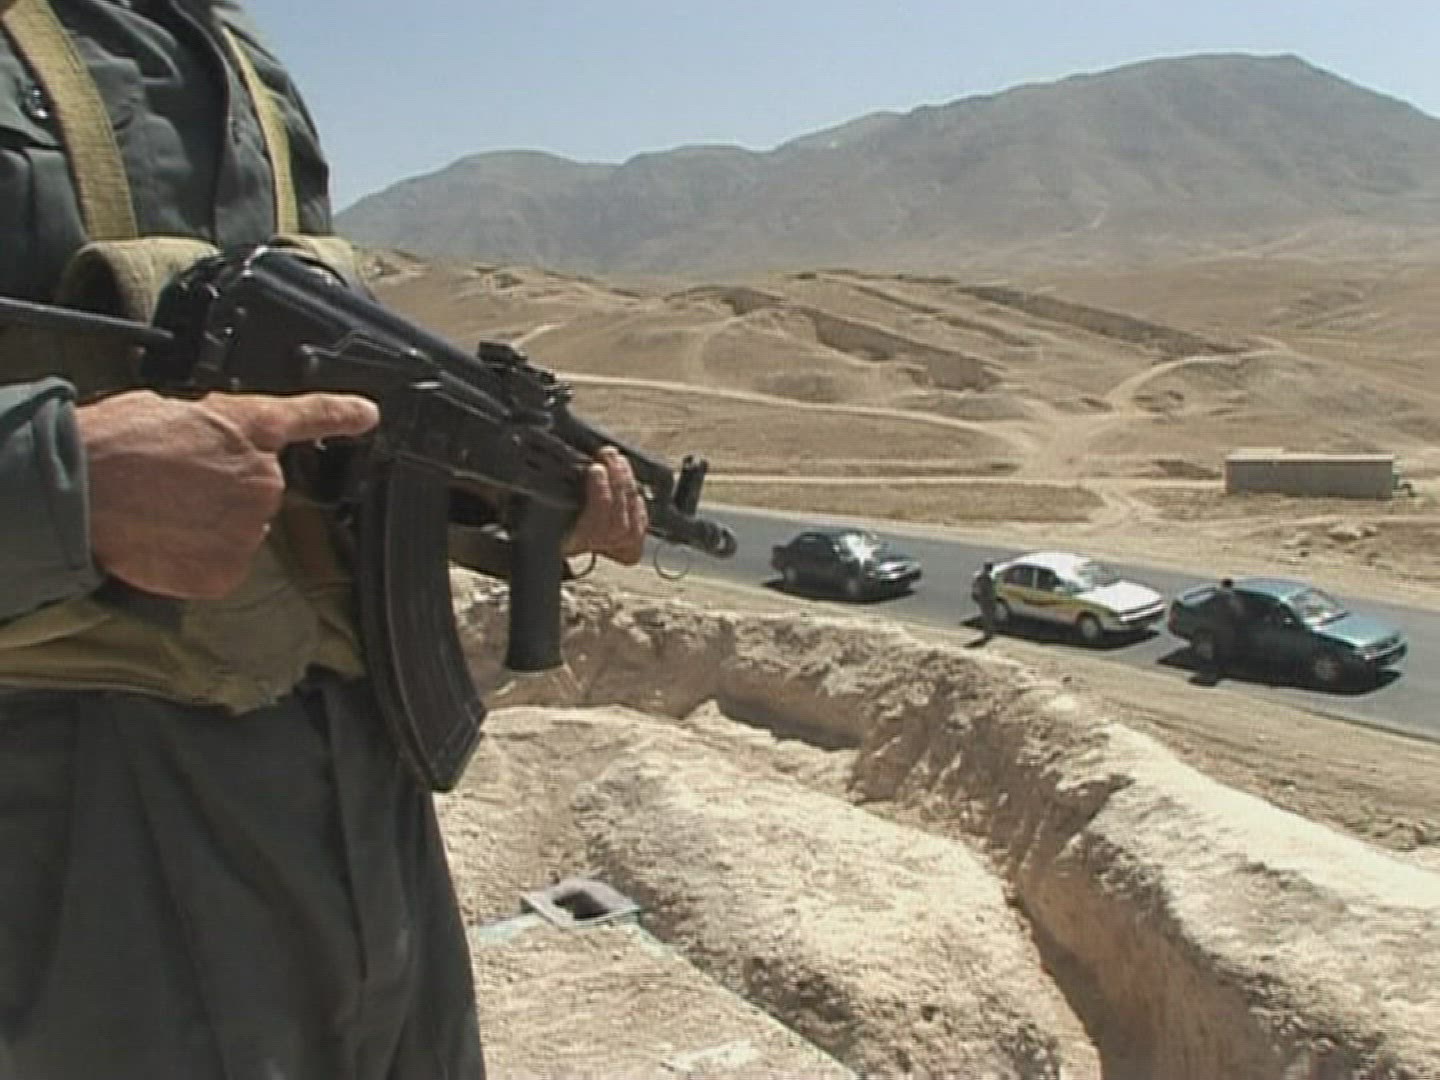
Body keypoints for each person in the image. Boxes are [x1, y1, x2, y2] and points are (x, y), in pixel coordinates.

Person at [0, 2, 647, 1076]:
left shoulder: (241, 60)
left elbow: (311, 429)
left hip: (365, 801)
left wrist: (491, 491)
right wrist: (66, 480)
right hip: (91, 850)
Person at [972, 561, 998, 643]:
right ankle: (988, 633)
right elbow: (990, 591)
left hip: (982, 599)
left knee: (986, 616)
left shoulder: (978, 576)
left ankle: (988, 632)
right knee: (988, 616)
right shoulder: (987, 578)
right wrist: (992, 600)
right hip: (987, 599)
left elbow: (975, 587)